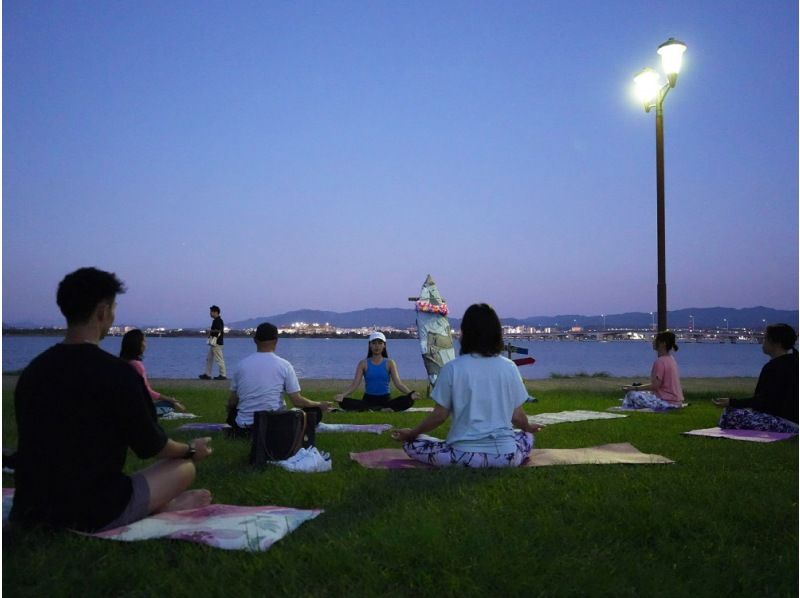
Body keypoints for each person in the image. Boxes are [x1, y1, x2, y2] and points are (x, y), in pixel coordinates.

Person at [10, 267, 213, 533]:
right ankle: (161, 509)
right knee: (184, 468)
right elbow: (153, 446)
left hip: (31, 507)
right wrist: (191, 450)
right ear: (103, 312)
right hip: (92, 509)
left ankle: (157, 506)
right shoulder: (117, 374)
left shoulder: (33, 371)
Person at [391, 303, 542, 468]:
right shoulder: (509, 367)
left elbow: (439, 416)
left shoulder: (452, 368)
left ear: (465, 334)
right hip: (507, 457)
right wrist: (528, 428)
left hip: (464, 456)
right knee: (526, 436)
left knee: (412, 443)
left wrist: (412, 433)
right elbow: (518, 416)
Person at [226, 322, 333, 433]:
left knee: (233, 412)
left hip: (243, 425)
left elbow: (232, 401)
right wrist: (319, 405)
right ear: (276, 341)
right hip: (274, 426)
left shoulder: (241, 365)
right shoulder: (284, 365)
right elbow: (297, 401)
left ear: (255, 340)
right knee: (314, 411)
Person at [712, 323, 798, 433]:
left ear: (776, 343)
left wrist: (732, 402)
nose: (763, 342)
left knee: (730, 414)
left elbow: (761, 401)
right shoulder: (795, 361)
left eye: (765, 339)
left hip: (785, 422)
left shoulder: (773, 367)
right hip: (793, 418)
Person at [334, 332, 420, 412]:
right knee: (343, 402)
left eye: (380, 343)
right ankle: (380, 409)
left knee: (408, 400)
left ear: (384, 346)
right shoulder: (363, 363)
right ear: (370, 345)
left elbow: (398, 383)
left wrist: (410, 394)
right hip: (368, 400)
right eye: (374, 343)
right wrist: (343, 395)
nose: (377, 346)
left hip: (385, 400)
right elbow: (355, 384)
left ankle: (376, 409)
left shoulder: (390, 363)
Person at [119, 328, 186, 416]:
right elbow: (147, 392)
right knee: (170, 405)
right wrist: (170, 400)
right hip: (137, 407)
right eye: (144, 341)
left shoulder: (122, 363)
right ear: (137, 344)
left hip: (123, 404)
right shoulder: (137, 365)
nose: (145, 344)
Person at [620, 330, 685, 410]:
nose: (653, 342)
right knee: (642, 393)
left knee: (632, 394)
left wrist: (634, 388)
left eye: (656, 340)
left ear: (663, 343)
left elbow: (656, 385)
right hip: (677, 402)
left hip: (666, 402)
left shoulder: (660, 361)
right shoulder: (671, 359)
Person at [199, 305, 226, 380]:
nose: (210, 314)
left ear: (215, 312)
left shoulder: (218, 321)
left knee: (219, 359)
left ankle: (222, 375)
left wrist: (210, 331)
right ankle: (207, 374)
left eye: (211, 312)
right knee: (209, 358)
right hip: (215, 343)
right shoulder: (217, 320)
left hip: (217, 343)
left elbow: (219, 330)